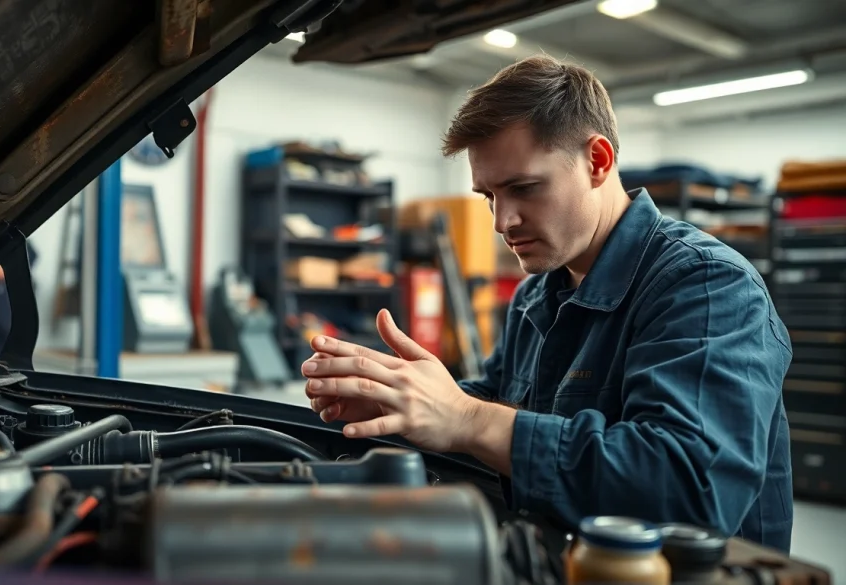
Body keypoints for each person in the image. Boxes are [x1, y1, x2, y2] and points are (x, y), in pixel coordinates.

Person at [300, 55, 793, 551]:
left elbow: (690, 491)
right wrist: (399, 403)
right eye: (489, 195)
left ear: (596, 161)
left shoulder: (706, 285)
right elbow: (494, 405)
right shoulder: (538, 293)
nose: (502, 221)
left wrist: (466, 419)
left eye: (524, 188)